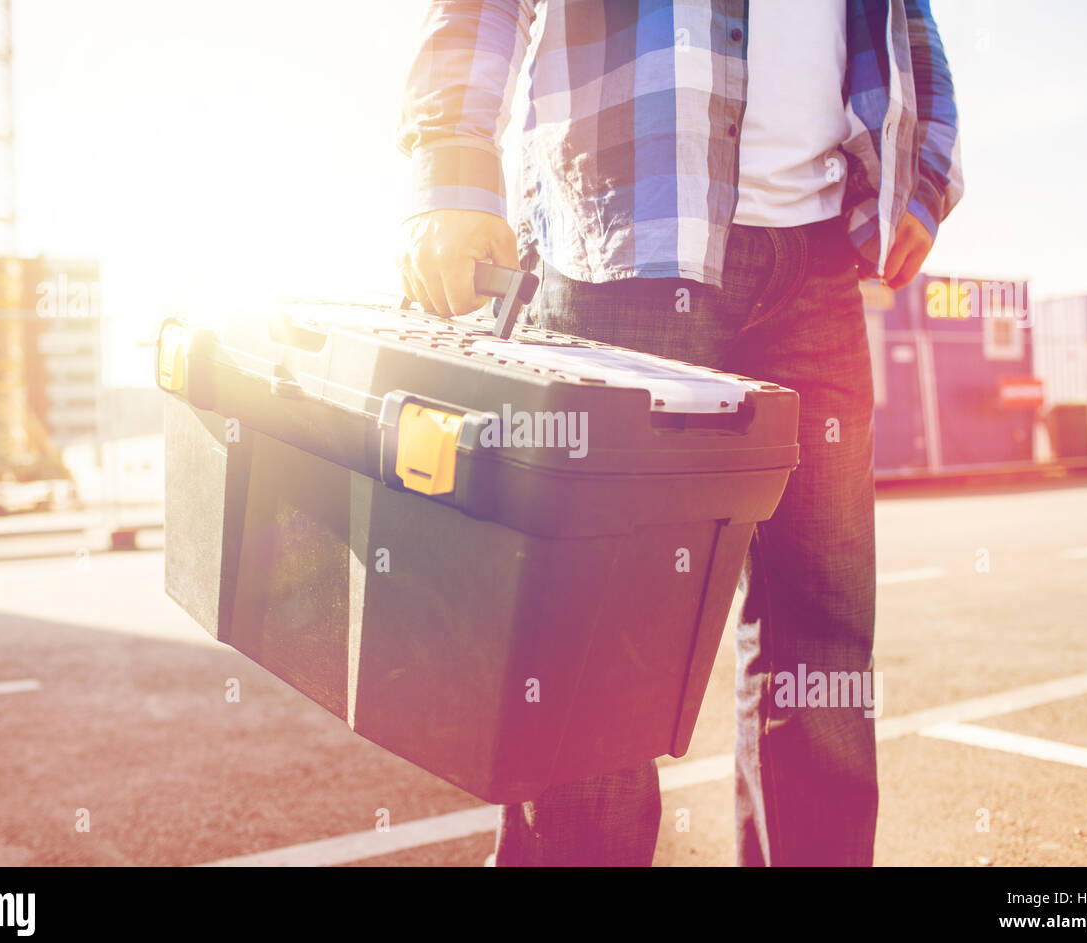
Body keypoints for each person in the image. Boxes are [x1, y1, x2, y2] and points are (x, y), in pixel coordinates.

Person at [396, 0, 962, 866]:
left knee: (824, 642)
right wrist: (451, 164)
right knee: (597, 649)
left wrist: (922, 174)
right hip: (624, 244)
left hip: (817, 266)